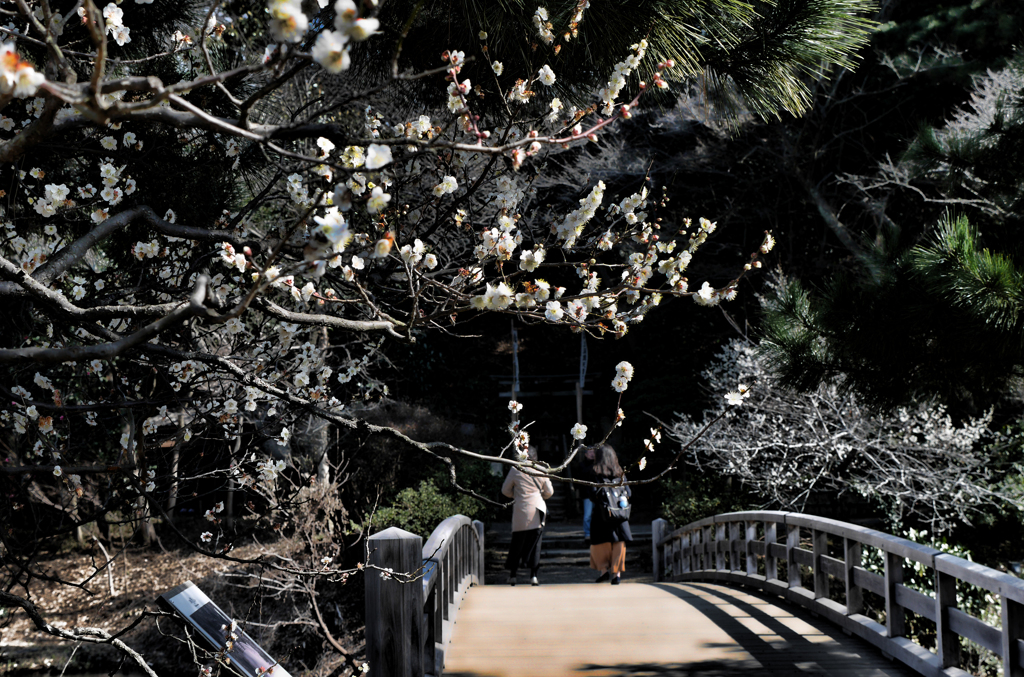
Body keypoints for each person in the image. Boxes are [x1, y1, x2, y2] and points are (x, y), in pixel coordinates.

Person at [501, 447, 554, 586]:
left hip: (521, 510)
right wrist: (539, 495)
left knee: (517, 543)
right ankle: (533, 576)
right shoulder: (541, 470)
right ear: (536, 457)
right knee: (536, 545)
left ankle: (513, 575)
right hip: (537, 510)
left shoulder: (515, 469)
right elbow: (550, 492)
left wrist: (517, 495)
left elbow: (505, 490)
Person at [588, 444, 632, 585]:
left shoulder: (595, 473)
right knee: (619, 543)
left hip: (602, 514)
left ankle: (604, 571)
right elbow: (629, 493)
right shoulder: (620, 473)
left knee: (600, 543)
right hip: (619, 514)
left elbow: (591, 494)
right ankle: (616, 575)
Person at [576, 446, 598, 546]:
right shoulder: (582, 465)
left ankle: (595, 533)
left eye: (593, 452)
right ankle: (587, 534)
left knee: (597, 515)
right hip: (587, 494)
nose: (592, 454)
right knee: (587, 516)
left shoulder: (598, 464)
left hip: (598, 493)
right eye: (590, 453)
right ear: (585, 455)